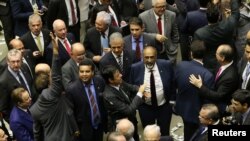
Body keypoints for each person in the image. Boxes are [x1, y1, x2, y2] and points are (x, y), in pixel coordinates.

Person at [29, 32, 80, 141]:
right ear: (48, 84)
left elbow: (37, 132)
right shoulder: (52, 94)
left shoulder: (33, 110)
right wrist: (56, 52)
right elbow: (57, 75)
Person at [130, 46, 175, 136]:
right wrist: (139, 98)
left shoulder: (166, 65)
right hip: (145, 107)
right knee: (149, 134)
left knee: (165, 133)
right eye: (146, 57)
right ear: (143, 57)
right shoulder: (135, 68)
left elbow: (173, 83)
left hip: (164, 106)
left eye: (152, 57)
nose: (149, 60)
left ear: (156, 56)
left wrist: (172, 101)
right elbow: (131, 86)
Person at [175, 40, 214, 141]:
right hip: (198, 115)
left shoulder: (180, 66)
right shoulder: (207, 75)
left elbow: (174, 84)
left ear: (191, 53)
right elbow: (207, 100)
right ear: (205, 54)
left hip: (182, 109)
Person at [189, 44, 238, 116]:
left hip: (221, 107)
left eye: (217, 53)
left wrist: (200, 85)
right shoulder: (222, 63)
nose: (215, 54)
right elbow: (214, 72)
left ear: (222, 58)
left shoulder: (230, 77)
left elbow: (217, 96)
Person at [102, 65, 146, 141]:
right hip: (121, 127)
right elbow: (128, 110)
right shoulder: (109, 95)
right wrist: (140, 93)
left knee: (135, 137)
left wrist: (142, 91)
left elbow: (131, 87)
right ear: (111, 80)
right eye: (117, 75)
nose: (121, 75)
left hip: (131, 120)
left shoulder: (119, 82)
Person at [193, 0, 240, 73]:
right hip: (226, 62)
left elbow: (197, 52)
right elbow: (236, 14)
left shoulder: (199, 33)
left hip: (209, 66)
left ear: (206, 16)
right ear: (219, 16)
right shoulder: (228, 26)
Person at [66, 59, 106, 141]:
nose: (84, 74)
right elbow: (70, 112)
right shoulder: (72, 89)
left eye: (87, 71)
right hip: (83, 130)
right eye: (81, 71)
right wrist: (76, 130)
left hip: (99, 127)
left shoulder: (99, 81)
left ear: (93, 72)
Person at [0, 48, 36, 121]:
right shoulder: (3, 81)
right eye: (13, 62)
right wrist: (14, 122)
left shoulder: (24, 67)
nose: (16, 64)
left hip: (34, 108)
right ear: (8, 62)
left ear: (21, 60)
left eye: (18, 61)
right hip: (22, 117)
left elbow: (31, 84)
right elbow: (4, 108)